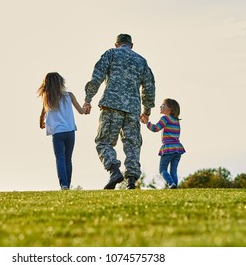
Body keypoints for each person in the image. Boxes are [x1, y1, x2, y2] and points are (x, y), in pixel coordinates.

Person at [84, 34, 156, 189]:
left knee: (103, 142)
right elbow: (149, 87)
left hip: (112, 105)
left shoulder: (111, 53)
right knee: (132, 144)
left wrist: (88, 99)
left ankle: (114, 171)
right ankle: (131, 180)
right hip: (132, 109)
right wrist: (147, 111)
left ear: (116, 44)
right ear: (132, 45)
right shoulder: (141, 61)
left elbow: (97, 77)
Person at [38, 72, 85, 190]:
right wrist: (86, 108)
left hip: (57, 133)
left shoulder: (47, 98)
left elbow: (42, 114)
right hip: (70, 131)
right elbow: (81, 111)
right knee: (68, 159)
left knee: (60, 159)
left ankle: (64, 185)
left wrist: (41, 123)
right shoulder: (69, 95)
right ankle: (67, 185)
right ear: (61, 82)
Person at [140, 98, 186, 189]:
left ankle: (171, 184)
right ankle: (175, 187)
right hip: (177, 149)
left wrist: (147, 123)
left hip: (168, 148)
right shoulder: (176, 121)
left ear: (170, 109)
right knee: (173, 171)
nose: (160, 106)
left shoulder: (165, 118)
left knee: (162, 169)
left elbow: (155, 128)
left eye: (163, 105)